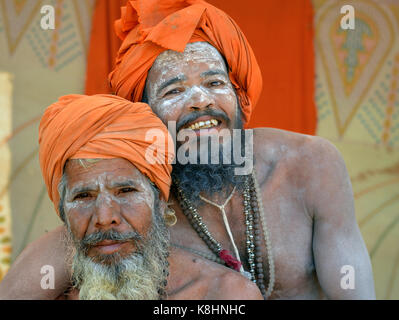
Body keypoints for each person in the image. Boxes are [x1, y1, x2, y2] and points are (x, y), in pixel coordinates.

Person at [3, 0, 375, 299]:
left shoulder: (311, 165)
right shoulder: (134, 197)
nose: (200, 100)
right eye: (174, 90)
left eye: (215, 82)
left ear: (238, 94)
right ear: (145, 116)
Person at [0, 94, 262, 300]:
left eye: (125, 191)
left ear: (160, 200)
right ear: (62, 213)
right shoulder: (46, 288)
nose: (104, 218)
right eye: (83, 197)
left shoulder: (223, 295)